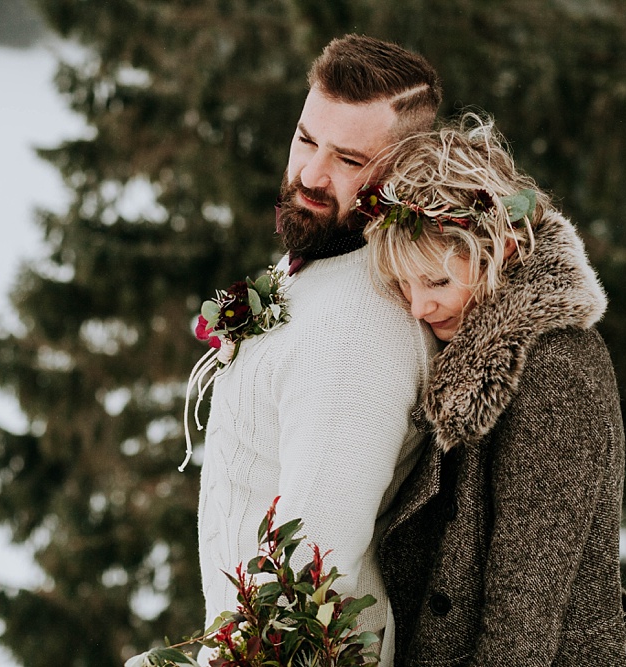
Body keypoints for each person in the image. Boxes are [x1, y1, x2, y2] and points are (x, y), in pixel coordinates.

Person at [195, 35, 442, 664]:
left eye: (349, 159)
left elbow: (307, 575)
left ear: (402, 175)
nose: (310, 174)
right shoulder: (329, 254)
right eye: (306, 139)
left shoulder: (356, 328)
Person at [362, 113, 626, 665]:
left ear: (503, 249)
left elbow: (523, 613)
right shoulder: (487, 354)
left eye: (437, 281)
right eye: (404, 285)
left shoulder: (553, 372)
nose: (419, 306)